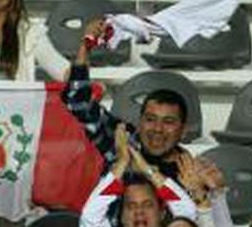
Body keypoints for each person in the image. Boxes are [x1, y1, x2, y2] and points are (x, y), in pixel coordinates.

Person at [63, 18, 190, 184]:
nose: (158, 129)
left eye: (168, 121)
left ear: (184, 130)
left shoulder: (190, 172)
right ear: (140, 121)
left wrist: (198, 194)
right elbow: (78, 102)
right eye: (150, 119)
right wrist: (85, 46)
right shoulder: (123, 142)